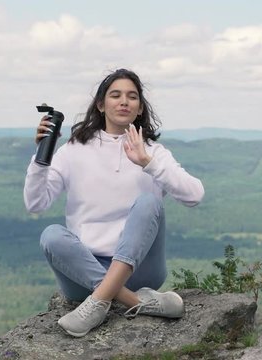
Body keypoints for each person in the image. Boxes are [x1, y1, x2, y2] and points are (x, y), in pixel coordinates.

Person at [23, 68, 204, 337]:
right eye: (115, 95)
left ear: (140, 108)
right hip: (83, 273)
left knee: (149, 203)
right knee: (51, 235)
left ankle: (99, 302)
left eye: (132, 97)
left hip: (141, 271)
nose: (123, 101)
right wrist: (41, 155)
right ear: (101, 104)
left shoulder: (152, 152)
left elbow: (195, 195)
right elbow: (35, 203)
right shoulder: (74, 149)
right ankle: (134, 302)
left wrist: (148, 164)